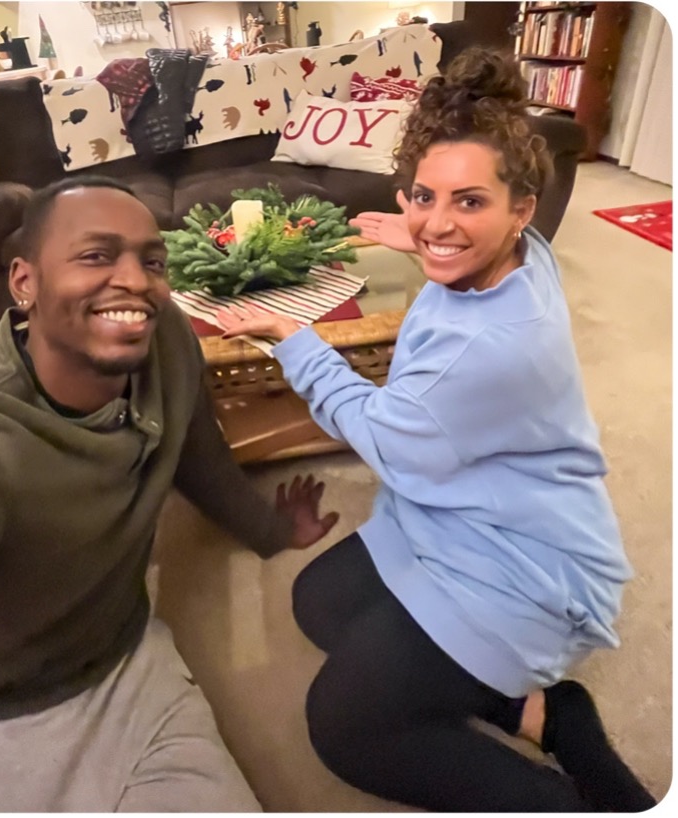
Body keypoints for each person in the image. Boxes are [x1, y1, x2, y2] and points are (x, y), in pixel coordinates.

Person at [217, 48, 657, 812]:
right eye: (425, 195)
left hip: (524, 570)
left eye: (470, 203)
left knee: (342, 727)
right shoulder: (526, 257)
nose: (439, 222)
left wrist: (296, 340)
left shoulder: (480, 354)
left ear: (522, 207)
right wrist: (424, 235)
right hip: (467, 514)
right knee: (318, 602)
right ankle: (543, 712)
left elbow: (384, 438)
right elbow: (454, 241)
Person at [0, 176, 339, 812]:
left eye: (152, 261)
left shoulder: (165, 338)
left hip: (131, 667)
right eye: (95, 256)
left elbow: (196, 456)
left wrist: (269, 529)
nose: (136, 281)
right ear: (24, 283)